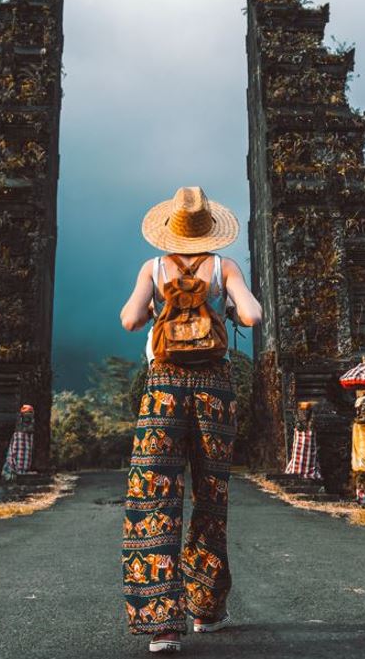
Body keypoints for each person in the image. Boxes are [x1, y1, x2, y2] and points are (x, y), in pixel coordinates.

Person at [119, 187, 262, 654]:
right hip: (214, 389)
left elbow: (129, 321)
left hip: (162, 388)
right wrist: (228, 305)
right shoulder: (223, 267)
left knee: (153, 495)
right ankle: (206, 610)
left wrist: (157, 310)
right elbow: (254, 314)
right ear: (210, 230)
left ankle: (161, 625)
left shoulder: (153, 268)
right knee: (210, 494)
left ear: (169, 230)